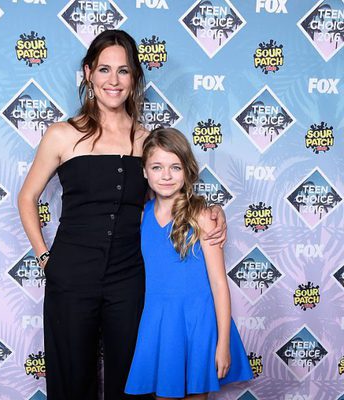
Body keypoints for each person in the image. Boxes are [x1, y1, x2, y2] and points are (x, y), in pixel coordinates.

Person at [18, 30, 226, 400]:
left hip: (129, 279)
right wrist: (45, 258)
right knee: (70, 381)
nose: (113, 80)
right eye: (104, 69)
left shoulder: (147, 141)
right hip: (70, 276)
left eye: (124, 71)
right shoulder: (62, 135)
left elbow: (169, 193)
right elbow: (27, 197)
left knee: (131, 382)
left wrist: (211, 210)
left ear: (135, 78)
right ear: (88, 74)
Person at [125, 128, 253, 400]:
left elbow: (219, 284)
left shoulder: (202, 216)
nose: (167, 175)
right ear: (145, 172)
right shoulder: (140, 216)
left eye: (175, 167)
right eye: (157, 167)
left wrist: (223, 344)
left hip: (198, 322)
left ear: (187, 170)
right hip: (158, 322)